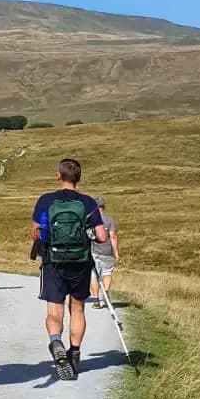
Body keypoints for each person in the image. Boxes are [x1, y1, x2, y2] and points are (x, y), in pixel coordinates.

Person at [31, 159, 108, 380]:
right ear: (79, 177)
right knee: (78, 308)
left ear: (59, 176)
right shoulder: (87, 202)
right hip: (80, 262)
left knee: (54, 310)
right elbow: (102, 237)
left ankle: (56, 341)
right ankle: (74, 354)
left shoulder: (46, 200)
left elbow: (35, 232)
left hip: (52, 261)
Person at [89, 197, 119, 305]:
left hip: (94, 251)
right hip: (107, 252)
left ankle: (96, 299)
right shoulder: (109, 219)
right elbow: (113, 236)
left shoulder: (90, 219)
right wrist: (116, 252)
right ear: (103, 207)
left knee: (94, 275)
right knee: (107, 273)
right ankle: (106, 293)